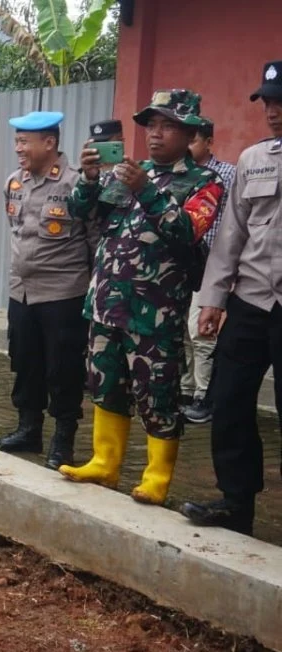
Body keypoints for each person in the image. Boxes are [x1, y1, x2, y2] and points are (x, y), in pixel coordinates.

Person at [59, 90, 224, 506]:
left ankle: (155, 477)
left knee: (157, 395)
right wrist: (90, 177)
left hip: (155, 313)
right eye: (151, 125)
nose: (155, 134)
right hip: (106, 304)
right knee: (105, 385)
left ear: (190, 133)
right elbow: (84, 212)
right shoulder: (132, 171)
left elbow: (187, 230)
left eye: (167, 125)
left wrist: (146, 189)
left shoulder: (205, 182)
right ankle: (104, 462)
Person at [181, 60, 282, 536]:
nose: (273, 111)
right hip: (252, 299)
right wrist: (213, 300)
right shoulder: (254, 159)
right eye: (268, 102)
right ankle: (236, 501)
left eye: (281, 102)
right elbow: (231, 236)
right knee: (228, 398)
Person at [0, 112, 96, 470]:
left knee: (63, 369)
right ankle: (28, 429)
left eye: (24, 141)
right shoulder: (13, 182)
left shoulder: (77, 184)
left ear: (49, 143)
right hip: (22, 292)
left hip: (63, 292)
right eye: (16, 141)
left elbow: (95, 239)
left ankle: (63, 439)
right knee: (25, 362)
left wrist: (94, 292)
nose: (18, 148)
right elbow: (19, 232)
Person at [179, 119, 237, 424]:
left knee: (199, 332)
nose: (188, 148)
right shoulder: (180, 176)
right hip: (187, 265)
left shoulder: (226, 174)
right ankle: (187, 390)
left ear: (208, 142)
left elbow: (234, 224)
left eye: (193, 141)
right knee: (184, 334)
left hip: (212, 266)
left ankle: (204, 396)